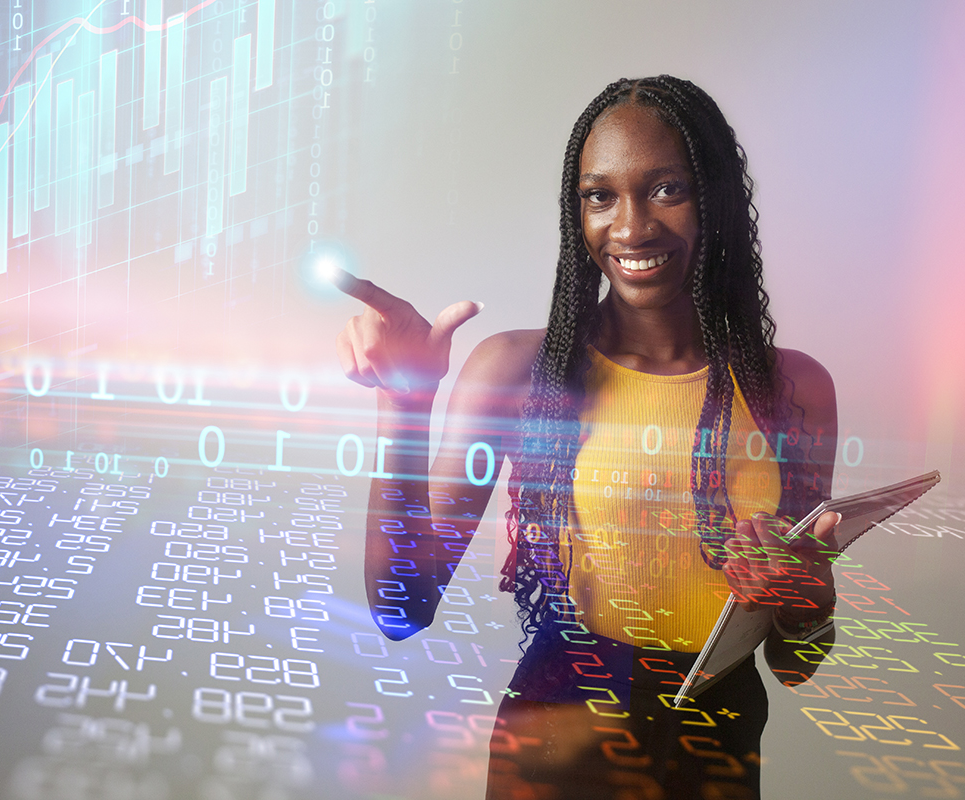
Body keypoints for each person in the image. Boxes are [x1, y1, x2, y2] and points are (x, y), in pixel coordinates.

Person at [334, 76, 840, 799]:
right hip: (559, 753)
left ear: (718, 200)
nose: (631, 227)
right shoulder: (518, 371)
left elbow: (797, 662)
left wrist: (809, 591)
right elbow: (399, 607)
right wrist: (405, 403)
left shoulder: (795, 389)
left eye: (667, 189)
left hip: (718, 756)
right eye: (600, 196)